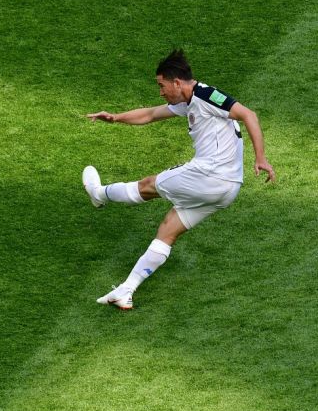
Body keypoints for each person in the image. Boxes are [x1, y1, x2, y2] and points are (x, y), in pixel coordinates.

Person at [83, 49, 276, 309]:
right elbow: (151, 114)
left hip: (210, 175)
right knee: (168, 230)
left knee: (148, 186)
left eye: (162, 86)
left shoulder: (206, 95)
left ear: (177, 82)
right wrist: (116, 118)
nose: (161, 92)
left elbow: (249, 114)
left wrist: (260, 158)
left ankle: (99, 193)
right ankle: (125, 291)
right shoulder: (187, 101)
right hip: (227, 189)